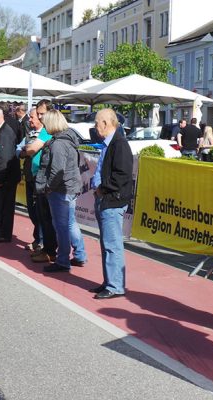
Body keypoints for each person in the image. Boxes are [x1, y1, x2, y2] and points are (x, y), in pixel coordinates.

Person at [35, 109, 86, 273]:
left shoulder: (58, 144)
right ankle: (79, 254)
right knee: (70, 223)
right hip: (70, 187)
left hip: (61, 190)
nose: (44, 126)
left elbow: (57, 170)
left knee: (62, 226)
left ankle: (63, 260)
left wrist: (49, 188)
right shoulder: (68, 139)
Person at [90, 108, 133, 299]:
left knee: (112, 244)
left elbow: (122, 175)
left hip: (112, 201)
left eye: (97, 123)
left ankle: (115, 285)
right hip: (106, 199)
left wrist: (102, 188)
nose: (95, 126)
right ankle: (109, 281)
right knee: (106, 243)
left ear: (106, 123)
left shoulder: (119, 144)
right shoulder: (110, 143)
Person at [25, 99, 58, 262]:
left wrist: (26, 148)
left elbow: (31, 149)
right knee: (42, 215)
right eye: (37, 114)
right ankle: (46, 247)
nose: (39, 116)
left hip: (45, 178)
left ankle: (51, 250)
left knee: (48, 218)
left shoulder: (49, 131)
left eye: (42, 114)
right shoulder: (45, 130)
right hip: (39, 176)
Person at [0, 107, 21, 242]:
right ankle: (1, 232)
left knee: (5, 206)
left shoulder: (5, 133)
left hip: (6, 177)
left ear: (1, 117)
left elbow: (4, 158)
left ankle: (3, 234)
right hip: (3, 176)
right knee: (1, 205)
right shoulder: (0, 131)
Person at [17, 107, 43, 252]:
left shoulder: (45, 134)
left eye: (33, 117)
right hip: (29, 176)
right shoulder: (29, 134)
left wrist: (26, 150)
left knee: (40, 212)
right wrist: (23, 151)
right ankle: (37, 239)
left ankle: (42, 241)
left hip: (39, 177)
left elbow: (31, 150)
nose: (30, 119)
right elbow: (19, 149)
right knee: (32, 211)